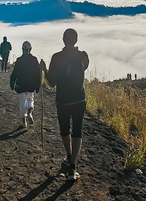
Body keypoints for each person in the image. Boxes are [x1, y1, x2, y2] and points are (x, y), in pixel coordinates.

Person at [40, 28, 89, 181]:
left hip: (63, 100)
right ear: (76, 40)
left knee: (64, 130)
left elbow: (52, 83)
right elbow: (84, 67)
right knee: (77, 131)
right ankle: (73, 168)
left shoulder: (57, 57)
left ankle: (68, 156)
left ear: (63, 39)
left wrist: (44, 69)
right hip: (80, 99)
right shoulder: (83, 56)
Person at [9, 40, 42, 128]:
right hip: (31, 84)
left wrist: (12, 84)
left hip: (21, 84)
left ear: (22, 49)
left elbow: (15, 73)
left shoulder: (19, 60)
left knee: (22, 102)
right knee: (30, 99)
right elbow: (38, 74)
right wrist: (38, 85)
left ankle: (24, 122)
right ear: (30, 49)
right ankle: (30, 113)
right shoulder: (34, 60)